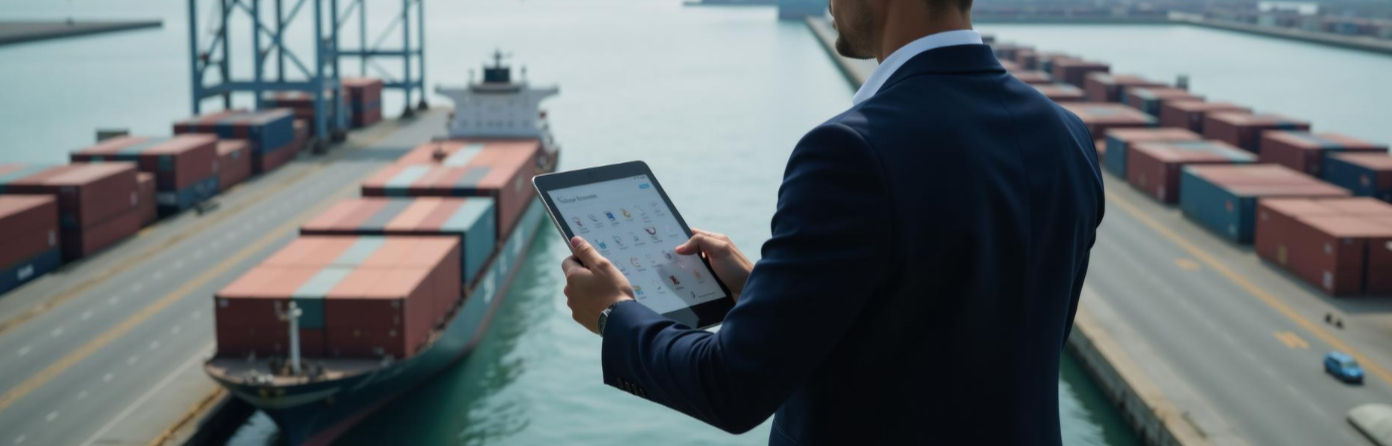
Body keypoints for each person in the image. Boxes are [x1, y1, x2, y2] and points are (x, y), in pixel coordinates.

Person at [557, 0, 1103, 442]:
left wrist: (614, 315)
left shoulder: (852, 150)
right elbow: (957, 332)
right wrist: (760, 293)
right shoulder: (1066, 134)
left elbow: (731, 386)